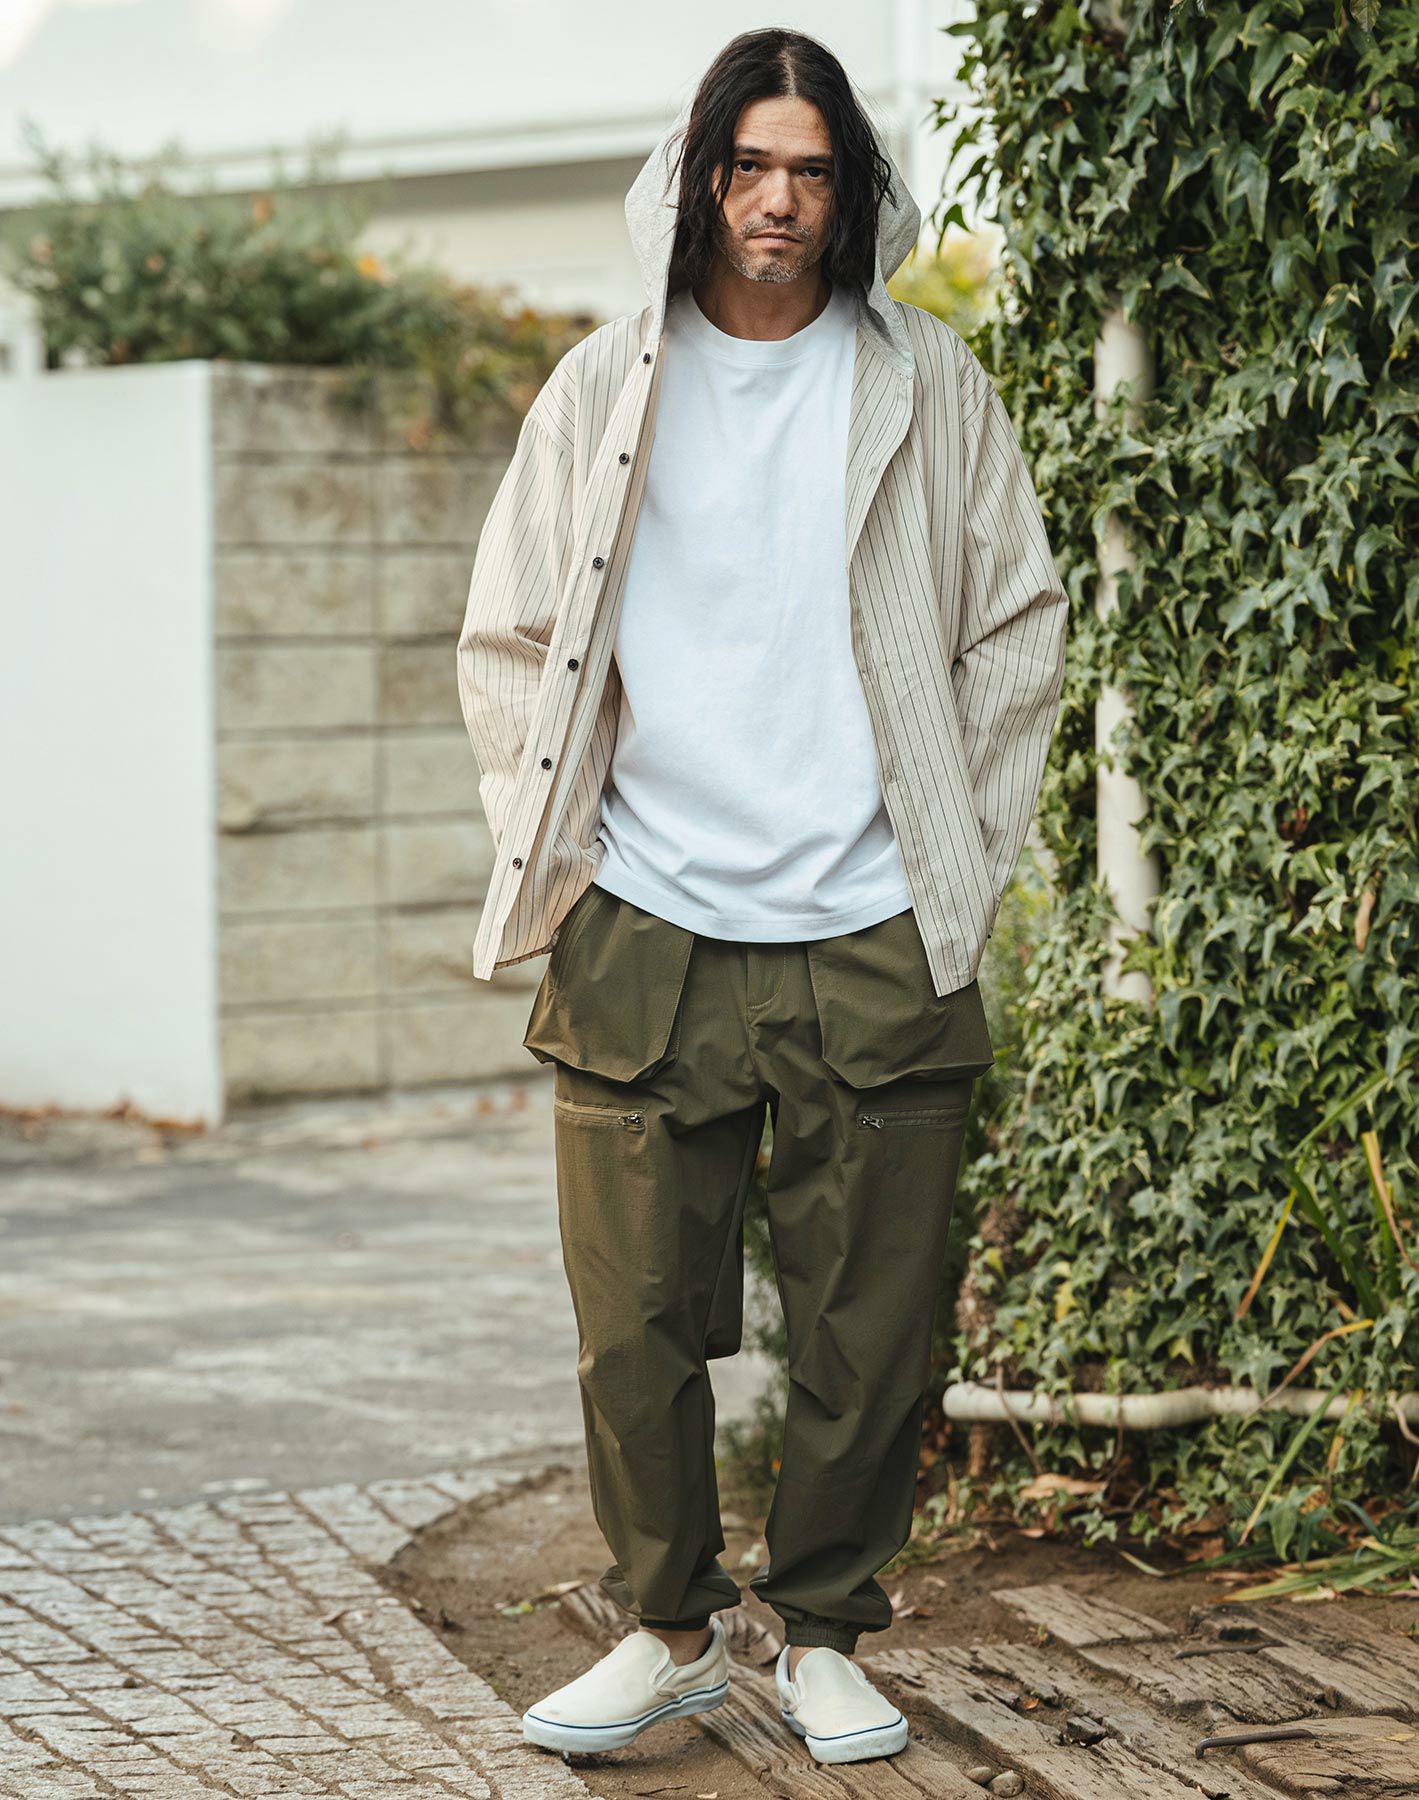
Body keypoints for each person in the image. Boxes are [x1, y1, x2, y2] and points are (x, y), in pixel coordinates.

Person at [456, 26, 1068, 1769]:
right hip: (646, 925)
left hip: (874, 927)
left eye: (811, 169)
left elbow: (1017, 625)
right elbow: (510, 635)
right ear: (697, 175)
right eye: (748, 165)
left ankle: (823, 1638)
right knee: (633, 1320)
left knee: (871, 1326)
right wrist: (564, 851)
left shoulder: (926, 384)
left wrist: (961, 848)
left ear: (849, 189)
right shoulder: (603, 386)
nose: (778, 200)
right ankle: (666, 1630)